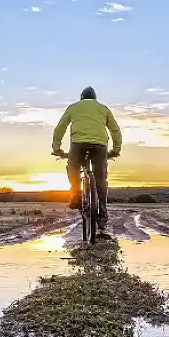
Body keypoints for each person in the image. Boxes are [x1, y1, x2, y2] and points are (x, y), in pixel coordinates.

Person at [51, 86, 122, 234]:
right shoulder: (103, 109)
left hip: (78, 145)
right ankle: (102, 218)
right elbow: (115, 130)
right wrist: (116, 150)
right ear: (95, 98)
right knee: (101, 180)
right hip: (100, 146)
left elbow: (60, 128)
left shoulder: (74, 107)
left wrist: (57, 149)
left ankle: (76, 193)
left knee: (73, 167)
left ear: (82, 98)